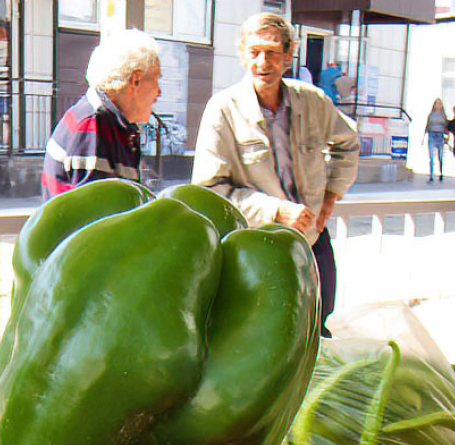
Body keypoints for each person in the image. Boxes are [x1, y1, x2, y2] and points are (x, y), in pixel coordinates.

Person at [191, 13, 359, 336]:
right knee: (266, 343)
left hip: (312, 245)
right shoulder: (223, 110)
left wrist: (329, 199)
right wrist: (275, 210)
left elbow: (349, 143)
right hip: (257, 253)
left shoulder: (313, 102)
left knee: (316, 334)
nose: (262, 62)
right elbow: (209, 192)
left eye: (271, 52)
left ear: (288, 56)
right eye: (254, 52)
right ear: (242, 54)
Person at [41, 29, 161, 199]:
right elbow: (97, 220)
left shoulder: (108, 122)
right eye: (156, 80)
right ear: (136, 80)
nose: (159, 92)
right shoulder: (94, 125)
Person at [424, 98, 449, 183]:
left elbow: (447, 127)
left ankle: (441, 174)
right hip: (432, 134)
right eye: (437, 104)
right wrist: (424, 135)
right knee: (431, 157)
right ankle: (431, 176)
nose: (438, 105)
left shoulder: (443, 115)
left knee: (440, 157)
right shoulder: (431, 114)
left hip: (440, 135)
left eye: (440, 104)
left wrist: (447, 137)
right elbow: (427, 125)